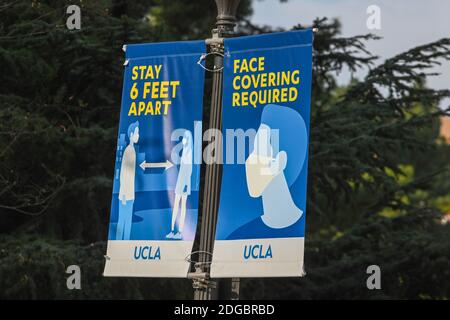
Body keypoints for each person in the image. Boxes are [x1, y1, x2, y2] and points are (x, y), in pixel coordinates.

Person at [227, 104, 308, 239]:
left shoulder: (301, 234)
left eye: (261, 149)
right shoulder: (240, 236)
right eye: (254, 149)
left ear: (281, 160)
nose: (250, 159)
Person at [166, 130, 193, 240]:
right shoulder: (184, 152)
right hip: (180, 182)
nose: (183, 139)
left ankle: (180, 231)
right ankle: (172, 230)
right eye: (183, 137)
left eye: (186, 137)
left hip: (185, 182)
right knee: (176, 206)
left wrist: (186, 185)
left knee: (182, 207)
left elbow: (189, 171)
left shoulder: (189, 154)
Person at [116, 121, 139, 240]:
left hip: (129, 195)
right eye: (136, 133)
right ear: (131, 135)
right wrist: (124, 194)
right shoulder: (129, 151)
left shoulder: (132, 150)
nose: (138, 135)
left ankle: (123, 244)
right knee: (123, 222)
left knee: (127, 221)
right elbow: (124, 174)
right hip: (125, 195)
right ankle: (121, 245)